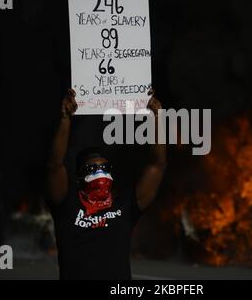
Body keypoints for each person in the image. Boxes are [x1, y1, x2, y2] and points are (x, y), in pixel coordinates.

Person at [46, 89, 166, 280]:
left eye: (104, 168)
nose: (99, 174)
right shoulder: (67, 205)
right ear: (79, 179)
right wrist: (65, 119)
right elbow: (54, 165)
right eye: (92, 170)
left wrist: (157, 117)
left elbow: (156, 166)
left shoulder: (124, 206)